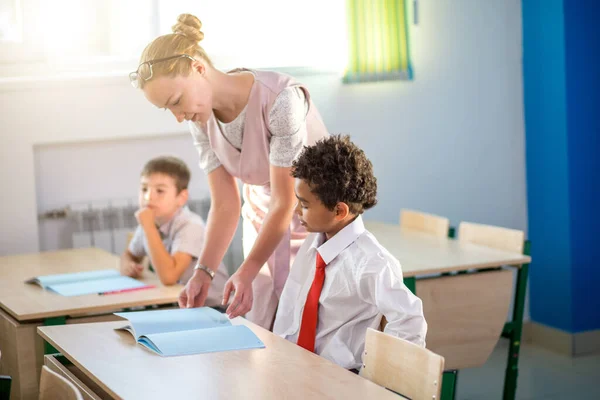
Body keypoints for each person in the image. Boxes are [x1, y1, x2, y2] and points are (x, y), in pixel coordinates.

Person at [129, 14, 329, 328]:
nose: (178, 116)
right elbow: (224, 204)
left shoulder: (281, 101)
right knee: (263, 332)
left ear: (198, 67)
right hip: (264, 221)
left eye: (177, 100)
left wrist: (247, 270)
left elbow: (285, 200)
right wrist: (203, 273)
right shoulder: (200, 118)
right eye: (168, 109)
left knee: (309, 328)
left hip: (317, 223)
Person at [273, 135, 427, 371]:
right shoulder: (314, 244)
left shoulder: (372, 263)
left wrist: (375, 379)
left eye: (304, 205)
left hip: (340, 378)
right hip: (297, 368)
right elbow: (291, 307)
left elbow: (409, 321)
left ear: (339, 211)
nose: (295, 211)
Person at [121, 156, 228, 307]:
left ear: (181, 197)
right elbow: (129, 255)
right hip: (177, 302)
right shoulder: (151, 222)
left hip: (212, 307)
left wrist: (149, 227)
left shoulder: (191, 225)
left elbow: (169, 276)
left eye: (160, 191)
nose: (148, 197)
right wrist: (127, 265)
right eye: (144, 189)